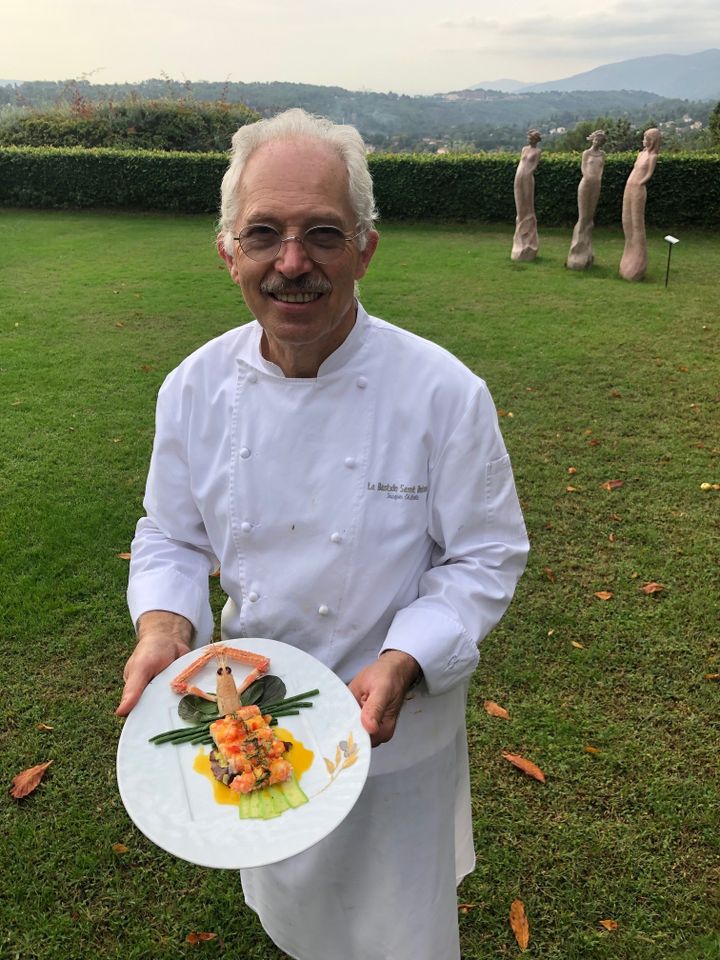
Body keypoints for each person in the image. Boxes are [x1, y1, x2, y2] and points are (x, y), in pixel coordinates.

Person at [117, 108, 529, 960]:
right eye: (264, 233)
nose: (293, 263)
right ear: (229, 250)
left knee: (396, 929)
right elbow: (170, 533)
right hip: (257, 721)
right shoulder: (192, 387)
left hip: (395, 733)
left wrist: (405, 657)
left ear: (366, 249)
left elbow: (486, 554)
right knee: (293, 910)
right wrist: (165, 626)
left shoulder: (443, 392)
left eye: (323, 234)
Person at [619, 127, 662, 281]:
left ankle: (638, 258)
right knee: (626, 220)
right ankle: (628, 253)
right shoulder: (641, 154)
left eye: (647, 138)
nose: (644, 141)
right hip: (629, 187)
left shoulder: (652, 156)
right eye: (644, 138)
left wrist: (639, 183)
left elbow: (648, 175)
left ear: (653, 141)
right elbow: (635, 170)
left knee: (637, 223)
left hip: (638, 189)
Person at [566, 129, 607, 270]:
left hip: (596, 185)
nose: (598, 142)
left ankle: (586, 249)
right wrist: (590, 179)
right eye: (596, 139)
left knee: (590, 217)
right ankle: (577, 248)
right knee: (583, 217)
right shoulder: (586, 153)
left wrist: (597, 180)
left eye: (600, 141)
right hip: (586, 184)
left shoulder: (602, 155)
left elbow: (601, 170)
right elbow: (584, 169)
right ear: (592, 139)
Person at [511, 128, 542, 261]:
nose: (529, 139)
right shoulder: (524, 149)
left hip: (528, 178)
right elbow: (521, 163)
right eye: (529, 137)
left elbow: (533, 165)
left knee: (528, 206)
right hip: (519, 176)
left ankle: (528, 239)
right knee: (520, 207)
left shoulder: (537, 151)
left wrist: (527, 174)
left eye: (531, 137)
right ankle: (520, 240)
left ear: (536, 139)